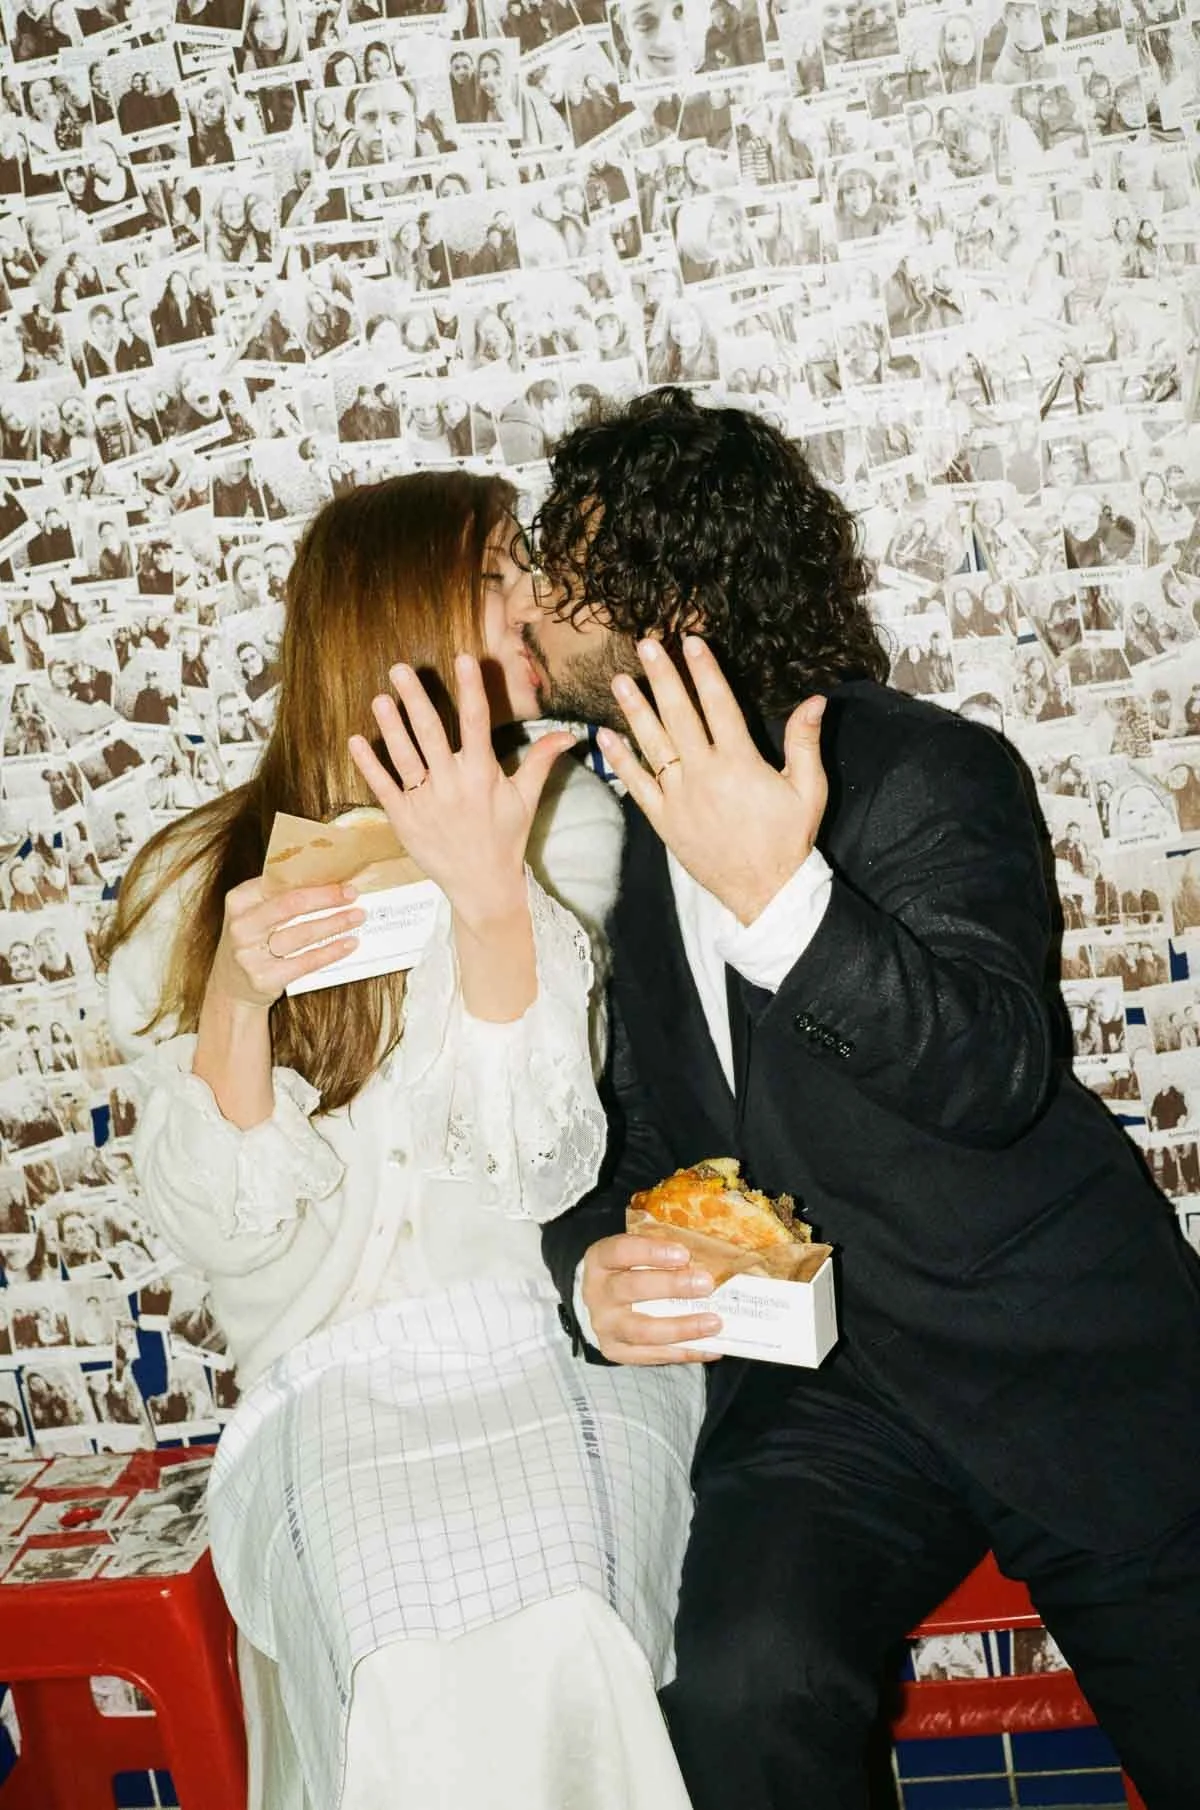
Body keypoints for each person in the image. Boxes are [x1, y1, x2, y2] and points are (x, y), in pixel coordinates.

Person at [508, 388, 1200, 1810]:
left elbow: (998, 1072)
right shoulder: (624, 831)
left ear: (667, 592)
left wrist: (783, 899)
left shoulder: (923, 772)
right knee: (743, 1690)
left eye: (562, 559)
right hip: (829, 1403)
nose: (529, 592)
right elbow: (637, 1134)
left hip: (1062, 1367)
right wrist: (594, 1275)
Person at [103, 472, 702, 1810]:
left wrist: (492, 902)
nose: (532, 599)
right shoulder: (193, 883)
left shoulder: (576, 831)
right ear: (402, 620)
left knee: (566, 1613)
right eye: (495, 572)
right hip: (327, 1383)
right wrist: (237, 999)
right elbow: (221, 1237)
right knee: (391, 1640)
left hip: (544, 1340)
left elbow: (539, 1169)